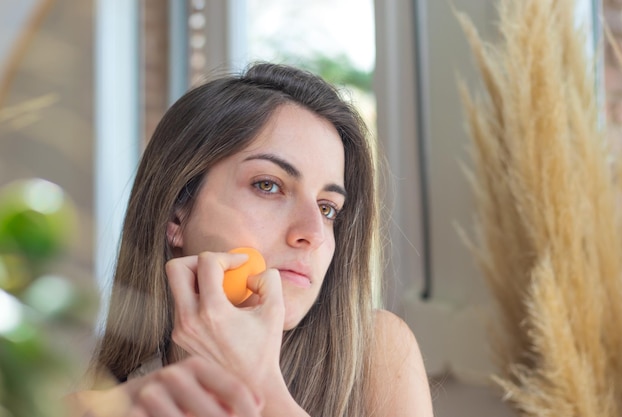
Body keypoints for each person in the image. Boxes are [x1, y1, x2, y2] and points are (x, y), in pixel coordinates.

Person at [66, 62, 433, 416]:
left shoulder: (377, 352)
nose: (313, 233)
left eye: (327, 208)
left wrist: (259, 383)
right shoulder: (93, 401)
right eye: (268, 186)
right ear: (175, 214)